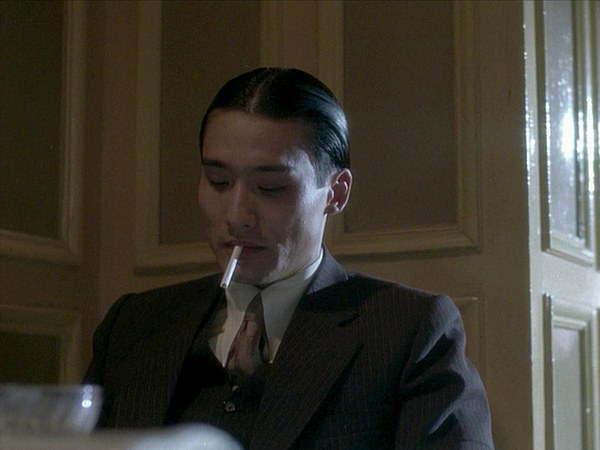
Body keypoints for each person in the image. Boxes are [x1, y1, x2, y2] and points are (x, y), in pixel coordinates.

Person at [84, 67, 494, 449]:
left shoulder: (409, 332)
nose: (236, 216)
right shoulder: (133, 326)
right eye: (218, 181)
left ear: (336, 193)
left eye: (271, 187)